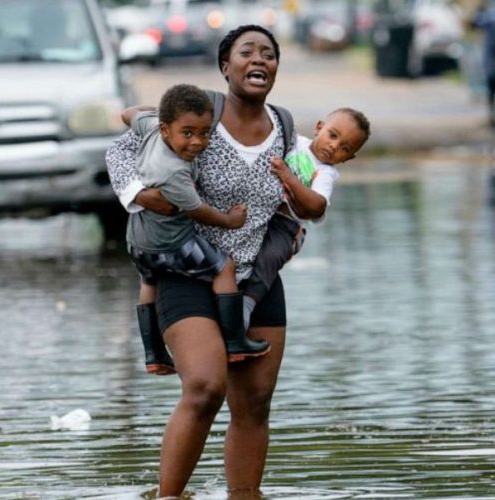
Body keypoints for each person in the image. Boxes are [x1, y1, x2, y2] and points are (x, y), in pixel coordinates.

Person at [105, 25, 294, 496]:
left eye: (268, 54)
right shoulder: (195, 109)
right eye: (246, 52)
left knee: (254, 404)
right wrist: (141, 196)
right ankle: (168, 496)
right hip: (185, 269)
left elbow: (299, 198)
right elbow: (121, 147)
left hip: (255, 281)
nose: (259, 60)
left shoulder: (285, 126)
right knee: (206, 387)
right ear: (224, 65)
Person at [122, 83, 270, 374]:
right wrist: (230, 220)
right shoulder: (174, 170)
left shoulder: (150, 126)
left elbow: (128, 113)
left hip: (137, 242)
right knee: (224, 267)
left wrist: (154, 112)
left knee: (149, 282)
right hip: (172, 245)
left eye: (204, 133)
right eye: (187, 133)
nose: (197, 143)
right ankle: (234, 341)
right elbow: (198, 211)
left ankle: (153, 355)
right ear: (166, 130)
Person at [239, 107, 371, 328]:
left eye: (344, 148)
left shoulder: (325, 173)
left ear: (349, 158)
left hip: (285, 224)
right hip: (259, 209)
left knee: (270, 257)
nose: (333, 146)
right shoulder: (294, 142)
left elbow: (317, 206)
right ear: (319, 127)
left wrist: (288, 177)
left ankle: (247, 303)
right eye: (333, 135)